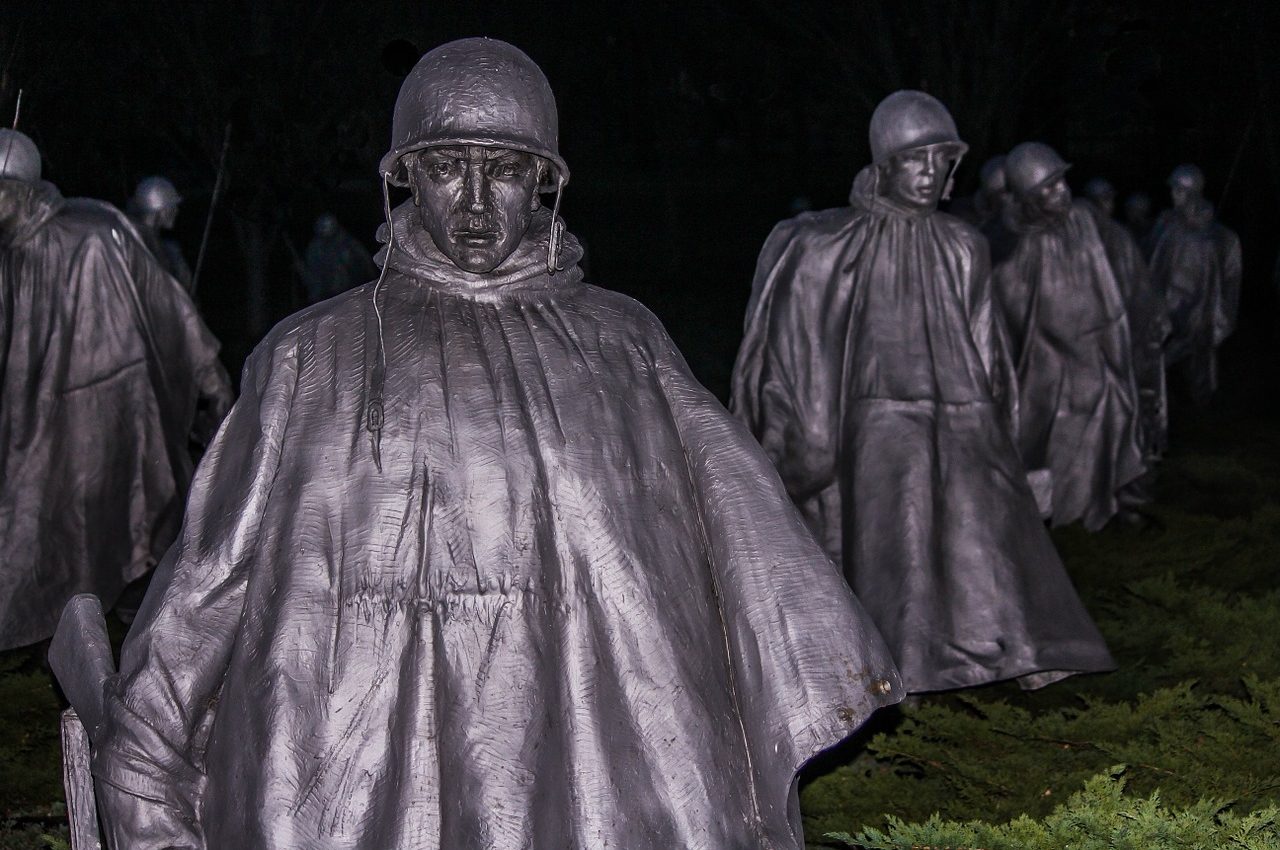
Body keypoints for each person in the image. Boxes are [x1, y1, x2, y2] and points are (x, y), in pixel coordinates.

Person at [88, 38, 901, 850]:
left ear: (546, 180)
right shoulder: (311, 358)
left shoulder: (625, 347)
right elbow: (208, 584)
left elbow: (735, 572)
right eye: (447, 168)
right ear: (404, 174)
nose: (476, 206)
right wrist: (142, 769)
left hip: (592, 794)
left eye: (506, 171)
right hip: (360, 790)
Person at [731, 91, 1113, 695]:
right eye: (917, 159)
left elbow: (990, 354)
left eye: (942, 161)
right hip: (871, 420)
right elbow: (799, 347)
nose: (931, 174)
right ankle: (885, 664)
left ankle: (1022, 644)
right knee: (898, 535)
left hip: (965, 414)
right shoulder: (828, 243)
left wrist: (1007, 438)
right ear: (884, 163)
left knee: (987, 523)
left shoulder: (964, 247)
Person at [0, 130, 232, 651]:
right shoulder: (9, 256)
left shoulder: (94, 232)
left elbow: (170, 311)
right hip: (36, 426)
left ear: (23, 189)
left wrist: (211, 380)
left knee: (130, 523)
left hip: (117, 415)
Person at [994, 142, 1146, 530]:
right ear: (1028, 198)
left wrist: (1114, 338)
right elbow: (1011, 311)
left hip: (1099, 348)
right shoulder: (1021, 246)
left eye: (1061, 181)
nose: (1061, 190)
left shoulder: (1083, 219)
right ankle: (1055, 511)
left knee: (1115, 419)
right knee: (1051, 434)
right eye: (1048, 187)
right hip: (1049, 360)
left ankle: (1107, 501)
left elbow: (1106, 283)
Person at [1082, 176, 1169, 461]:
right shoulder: (1074, 239)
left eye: (1108, 198)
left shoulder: (1120, 238)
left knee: (1136, 393)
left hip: (1127, 332)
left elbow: (1142, 289)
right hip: (1093, 339)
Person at [1149, 170, 1242, 406]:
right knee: (1172, 359)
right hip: (1174, 307)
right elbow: (1156, 267)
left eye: (1177, 190)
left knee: (1197, 361)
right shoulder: (1169, 228)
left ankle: (1203, 407)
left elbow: (1229, 275)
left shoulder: (1219, 236)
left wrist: (1220, 311)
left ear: (1188, 192)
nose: (1172, 195)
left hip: (1201, 312)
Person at [128, 175, 193, 291]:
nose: (177, 211)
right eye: (173, 207)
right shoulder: (161, 251)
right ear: (162, 210)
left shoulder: (129, 241)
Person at [300, 212, 378, 303]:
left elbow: (365, 259)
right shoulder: (315, 248)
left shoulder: (346, 242)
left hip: (351, 290)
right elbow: (314, 272)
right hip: (327, 294)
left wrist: (373, 278)